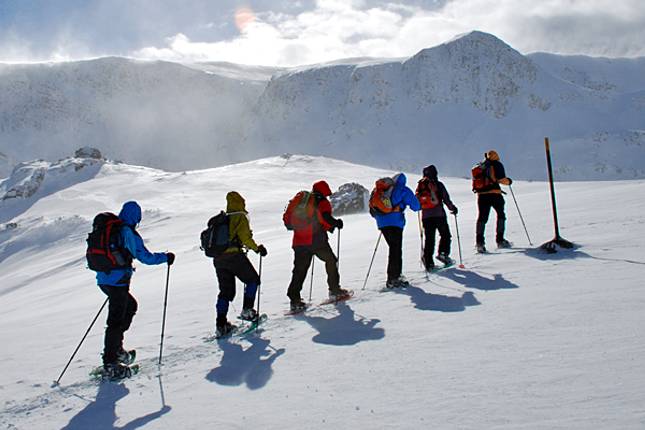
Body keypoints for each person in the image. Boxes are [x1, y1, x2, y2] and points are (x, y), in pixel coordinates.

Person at [95, 201, 174, 380]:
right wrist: (165, 258)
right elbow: (144, 256)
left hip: (104, 280)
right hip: (118, 281)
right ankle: (111, 362)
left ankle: (116, 351)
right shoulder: (126, 232)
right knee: (116, 320)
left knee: (129, 307)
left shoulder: (112, 229)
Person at [285, 180, 347, 312]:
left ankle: (294, 300)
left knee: (299, 270)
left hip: (299, 241)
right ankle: (335, 290)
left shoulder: (303, 200)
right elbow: (325, 217)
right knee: (331, 260)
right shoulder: (321, 201)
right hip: (316, 240)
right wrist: (336, 223)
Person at [213, 191, 267, 337]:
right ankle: (247, 311)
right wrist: (257, 249)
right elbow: (245, 237)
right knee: (253, 280)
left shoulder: (223, 219)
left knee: (225, 292)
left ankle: (221, 324)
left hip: (218, 259)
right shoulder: (239, 217)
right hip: (234, 256)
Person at [372, 173, 421, 288]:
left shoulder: (383, 191)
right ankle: (394, 278)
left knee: (393, 249)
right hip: (395, 223)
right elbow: (416, 206)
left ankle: (394, 277)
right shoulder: (402, 189)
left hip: (382, 223)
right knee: (396, 250)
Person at [416, 165, 458, 271]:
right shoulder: (438, 185)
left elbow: (417, 202)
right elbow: (445, 199)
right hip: (439, 215)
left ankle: (428, 261)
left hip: (426, 217)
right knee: (445, 235)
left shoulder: (420, 186)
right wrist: (452, 208)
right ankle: (443, 254)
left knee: (429, 239)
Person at [474, 150, 513, 253]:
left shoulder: (480, 166)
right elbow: (501, 179)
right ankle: (500, 240)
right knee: (501, 215)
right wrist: (509, 181)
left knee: (482, 218)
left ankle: (479, 243)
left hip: (481, 196)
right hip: (495, 194)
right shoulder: (497, 165)